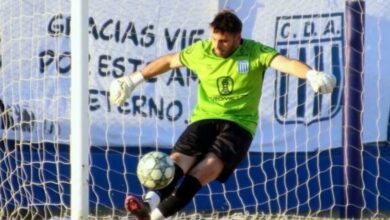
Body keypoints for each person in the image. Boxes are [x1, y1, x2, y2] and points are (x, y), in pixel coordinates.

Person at [109, 10, 336, 220]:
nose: (218, 45)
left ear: (238, 38)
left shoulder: (255, 52)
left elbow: (286, 63)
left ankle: (154, 216)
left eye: (225, 40)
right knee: (177, 163)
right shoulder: (202, 51)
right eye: (215, 38)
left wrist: (311, 74)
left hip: (239, 125)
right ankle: (148, 204)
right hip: (204, 119)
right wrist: (133, 79)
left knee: (204, 170)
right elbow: (169, 60)